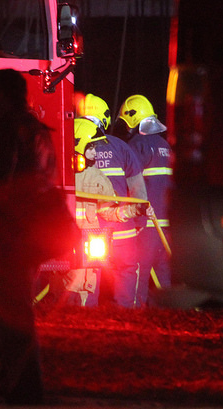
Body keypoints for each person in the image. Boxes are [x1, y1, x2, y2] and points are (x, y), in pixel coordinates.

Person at [0, 68, 62, 405]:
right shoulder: (35, 130)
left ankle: (24, 385)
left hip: (12, 234)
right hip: (31, 234)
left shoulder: (9, 130)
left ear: (3, 96)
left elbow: (2, 184)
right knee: (15, 305)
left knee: (13, 309)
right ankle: (12, 378)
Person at [58, 118, 151, 306]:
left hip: (87, 253)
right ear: (78, 145)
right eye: (91, 147)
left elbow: (108, 211)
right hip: (66, 251)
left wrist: (134, 210)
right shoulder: (59, 175)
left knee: (87, 301)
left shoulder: (96, 177)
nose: (95, 152)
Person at [77, 94, 148, 308]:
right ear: (104, 119)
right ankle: (125, 322)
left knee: (85, 280)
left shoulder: (68, 146)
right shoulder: (120, 146)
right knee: (126, 274)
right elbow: (138, 191)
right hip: (121, 230)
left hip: (85, 232)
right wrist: (139, 222)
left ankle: (84, 320)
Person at [114, 94, 173, 307]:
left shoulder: (137, 145)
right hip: (167, 224)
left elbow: (130, 184)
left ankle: (135, 317)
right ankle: (167, 317)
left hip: (146, 225)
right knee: (163, 277)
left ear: (132, 119)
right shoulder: (166, 146)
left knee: (138, 274)